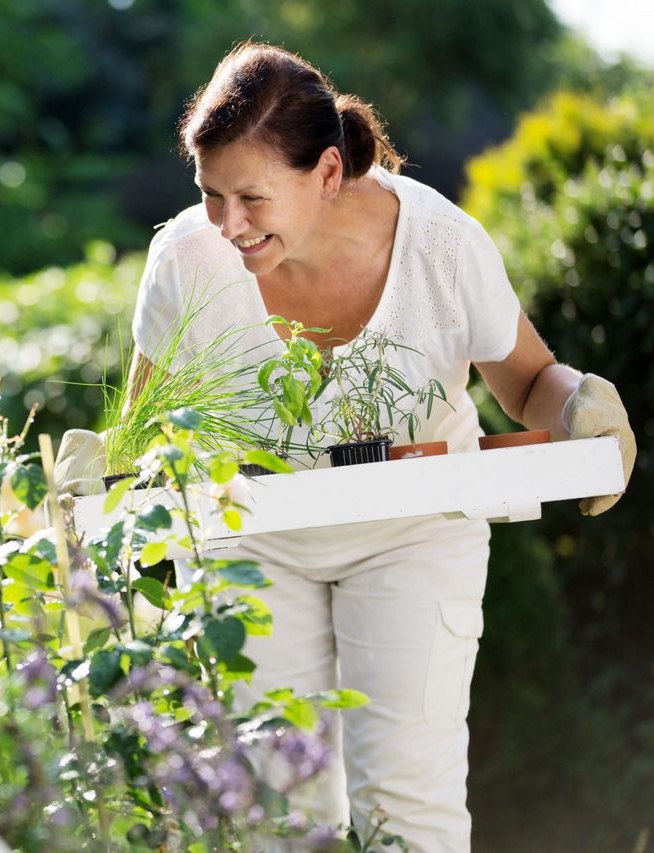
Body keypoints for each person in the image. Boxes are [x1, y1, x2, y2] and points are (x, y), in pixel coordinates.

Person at [54, 42, 636, 850]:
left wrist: (582, 409)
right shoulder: (187, 258)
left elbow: (527, 382)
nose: (228, 224)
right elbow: (150, 423)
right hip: (254, 541)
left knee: (409, 804)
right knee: (273, 808)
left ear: (328, 172)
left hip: (415, 536)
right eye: (211, 194)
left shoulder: (441, 244)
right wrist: (102, 473)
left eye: (252, 197)